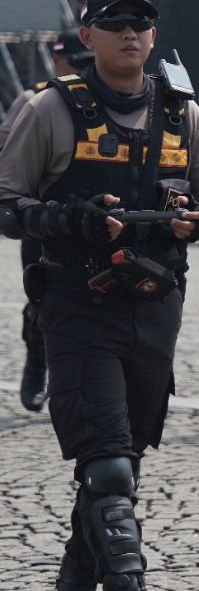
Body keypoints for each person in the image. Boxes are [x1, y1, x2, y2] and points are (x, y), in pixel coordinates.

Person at [0, 0, 199, 591]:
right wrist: (71, 218)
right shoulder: (48, 109)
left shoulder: (183, 115)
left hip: (156, 308)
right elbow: (7, 204)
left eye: (140, 22)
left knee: (120, 464)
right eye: (114, 22)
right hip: (78, 306)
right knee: (106, 463)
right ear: (88, 36)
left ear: (154, 35)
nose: (129, 33)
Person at [1, 28, 94, 413]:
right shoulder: (35, 100)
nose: (83, 70)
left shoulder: (108, 100)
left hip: (93, 220)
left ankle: (78, 382)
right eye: (77, 63)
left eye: (88, 63)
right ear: (57, 60)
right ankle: (37, 363)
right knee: (42, 298)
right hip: (44, 221)